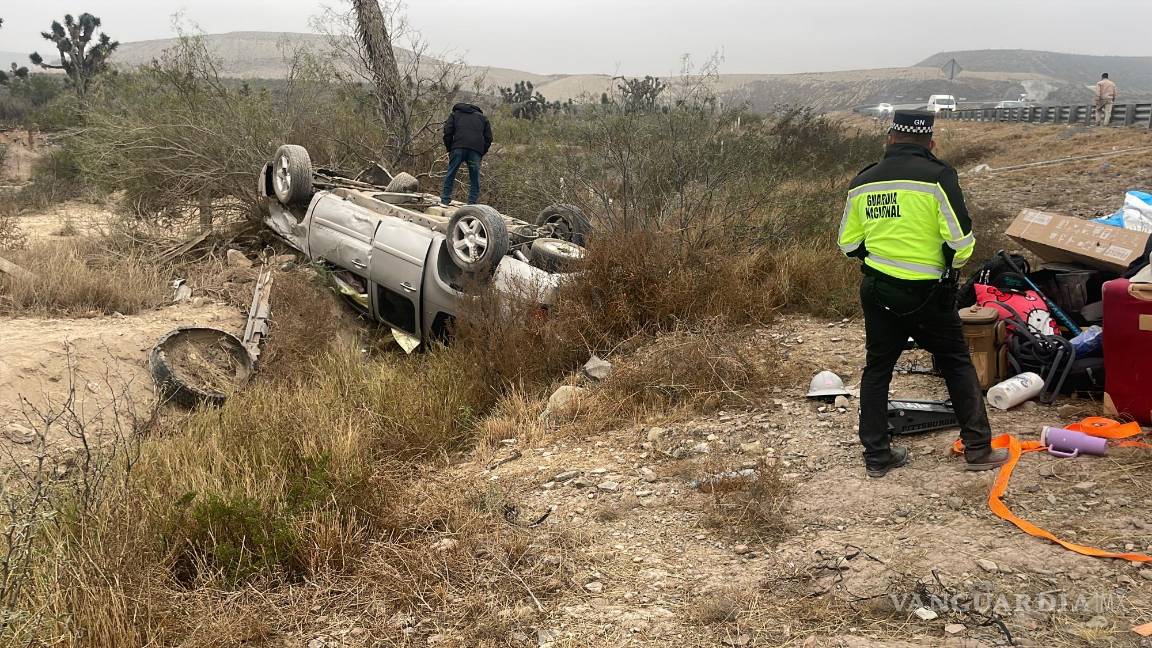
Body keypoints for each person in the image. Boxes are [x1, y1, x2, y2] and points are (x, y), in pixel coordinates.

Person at [837, 110, 1009, 478]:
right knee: (956, 363)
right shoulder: (939, 176)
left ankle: (877, 457)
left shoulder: (863, 181)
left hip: (879, 289)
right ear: (930, 144)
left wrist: (880, 258)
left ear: (889, 138)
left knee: (878, 369)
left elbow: (848, 244)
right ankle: (978, 449)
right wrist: (948, 265)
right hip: (930, 293)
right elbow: (961, 242)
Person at [440, 103, 493, 206]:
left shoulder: (455, 115)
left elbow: (447, 132)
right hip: (475, 152)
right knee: (474, 178)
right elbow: (489, 138)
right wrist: (481, 152)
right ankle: (471, 203)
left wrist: (450, 149)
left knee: (451, 173)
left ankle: (445, 200)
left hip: (458, 149)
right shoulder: (483, 118)